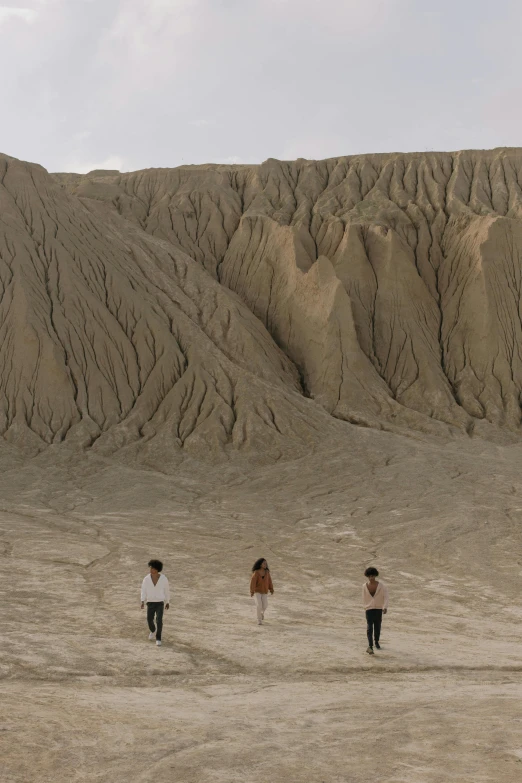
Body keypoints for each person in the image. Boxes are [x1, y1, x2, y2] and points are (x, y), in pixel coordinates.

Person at [141, 559, 170, 646]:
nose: (150, 570)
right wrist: (142, 600)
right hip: (150, 602)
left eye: (152, 568)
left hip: (160, 602)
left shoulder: (164, 579)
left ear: (157, 569)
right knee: (149, 619)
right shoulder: (146, 579)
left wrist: (167, 601)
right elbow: (143, 590)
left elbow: (167, 590)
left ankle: (158, 638)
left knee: (159, 620)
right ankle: (153, 630)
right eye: (150, 568)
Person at [362, 566, 388, 654]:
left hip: (378, 609)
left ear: (375, 576)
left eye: (372, 576)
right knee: (369, 628)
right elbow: (364, 597)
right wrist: (365, 607)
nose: (371, 578)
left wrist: (385, 607)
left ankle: (376, 641)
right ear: (367, 576)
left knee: (377, 627)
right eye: (369, 576)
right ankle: (370, 645)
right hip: (369, 609)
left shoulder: (381, 586)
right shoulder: (364, 586)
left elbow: (386, 597)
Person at [250, 558, 274, 625]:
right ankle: (259, 620)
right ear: (260, 564)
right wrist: (252, 591)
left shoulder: (267, 572)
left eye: (266, 563)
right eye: (264, 563)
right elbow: (253, 582)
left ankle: (261, 613)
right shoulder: (256, 573)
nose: (265, 565)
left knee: (265, 605)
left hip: (265, 591)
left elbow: (269, 581)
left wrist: (271, 589)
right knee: (259, 605)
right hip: (257, 591)